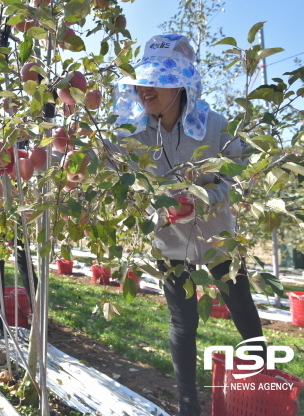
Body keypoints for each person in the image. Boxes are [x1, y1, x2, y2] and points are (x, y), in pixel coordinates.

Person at [111, 34, 265, 416]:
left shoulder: (213, 126)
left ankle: (265, 382)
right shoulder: (131, 133)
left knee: (240, 306)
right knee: (183, 320)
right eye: (142, 81)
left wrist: (205, 196)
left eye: (158, 82)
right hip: (168, 240)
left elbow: (238, 175)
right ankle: (187, 404)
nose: (146, 89)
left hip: (216, 237)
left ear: (181, 85)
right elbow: (108, 171)